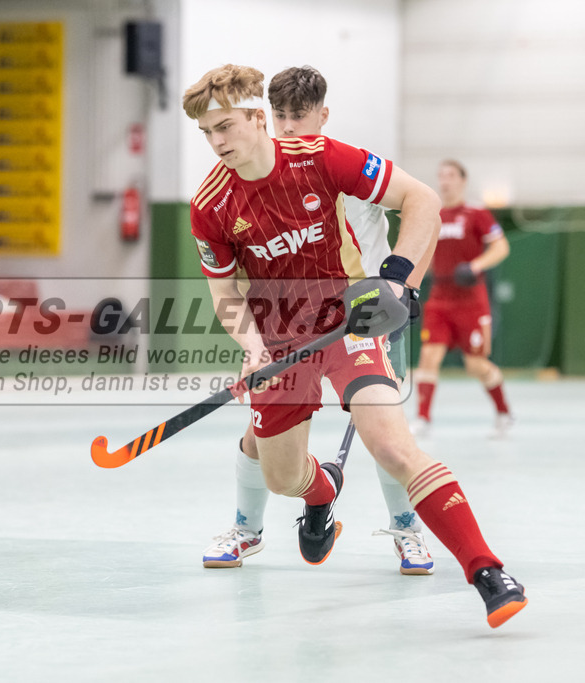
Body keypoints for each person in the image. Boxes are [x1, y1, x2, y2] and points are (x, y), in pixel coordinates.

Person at [183, 64, 526, 627]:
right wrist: (251, 346)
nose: (217, 142)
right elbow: (224, 292)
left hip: (350, 321)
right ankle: (320, 493)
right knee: (282, 478)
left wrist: (394, 280)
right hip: (278, 337)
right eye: (206, 133)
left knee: (391, 444)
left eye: (224, 126)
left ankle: (487, 571)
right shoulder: (210, 205)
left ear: (254, 119)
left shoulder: (322, 157)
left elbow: (421, 202)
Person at [202, 66, 433, 576]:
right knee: (260, 432)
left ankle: (407, 530)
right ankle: (247, 526)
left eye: (299, 117)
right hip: (290, 324)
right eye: (279, 116)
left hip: (362, 315)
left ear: (322, 116)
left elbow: (421, 214)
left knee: (383, 428)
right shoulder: (254, 176)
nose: (288, 128)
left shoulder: (342, 166)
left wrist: (400, 287)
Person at [413, 159, 512, 438]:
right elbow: (428, 258)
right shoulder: (433, 216)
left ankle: (504, 412)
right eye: (441, 175)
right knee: (429, 357)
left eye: (451, 175)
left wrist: (476, 266)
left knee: (475, 365)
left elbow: (501, 247)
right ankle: (423, 418)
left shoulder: (476, 213)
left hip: (471, 300)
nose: (445, 181)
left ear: (462, 180)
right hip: (439, 300)